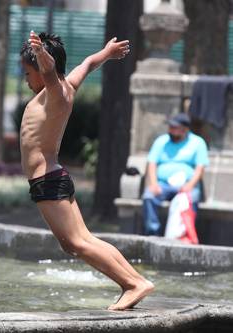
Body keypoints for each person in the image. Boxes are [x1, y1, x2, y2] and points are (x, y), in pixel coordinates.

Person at [20, 31, 153, 310]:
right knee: (80, 241)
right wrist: (106, 52)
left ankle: (133, 284)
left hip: (47, 180)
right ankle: (134, 280)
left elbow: (49, 71)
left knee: (77, 243)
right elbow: (88, 64)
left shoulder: (54, 92)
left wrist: (42, 56)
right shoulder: (68, 87)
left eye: (27, 72)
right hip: (54, 177)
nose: (26, 78)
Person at [142, 113, 209, 236]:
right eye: (170, 127)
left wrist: (189, 185)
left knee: (192, 197)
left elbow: (200, 168)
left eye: (174, 127)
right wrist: (154, 184)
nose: (170, 130)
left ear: (185, 129)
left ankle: (185, 234)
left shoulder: (198, 143)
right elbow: (152, 164)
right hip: (164, 184)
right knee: (148, 196)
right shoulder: (161, 141)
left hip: (187, 185)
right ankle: (152, 233)